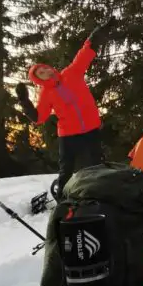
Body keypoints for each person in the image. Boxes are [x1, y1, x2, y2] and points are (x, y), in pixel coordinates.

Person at [15, 18, 114, 198]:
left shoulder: (71, 73)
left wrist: (98, 32)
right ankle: (62, 200)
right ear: (39, 80)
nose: (46, 72)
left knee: (95, 165)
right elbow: (39, 117)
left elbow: (85, 52)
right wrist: (24, 101)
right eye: (41, 74)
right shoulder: (45, 93)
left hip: (91, 129)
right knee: (66, 170)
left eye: (44, 68)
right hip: (68, 135)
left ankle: (100, 195)